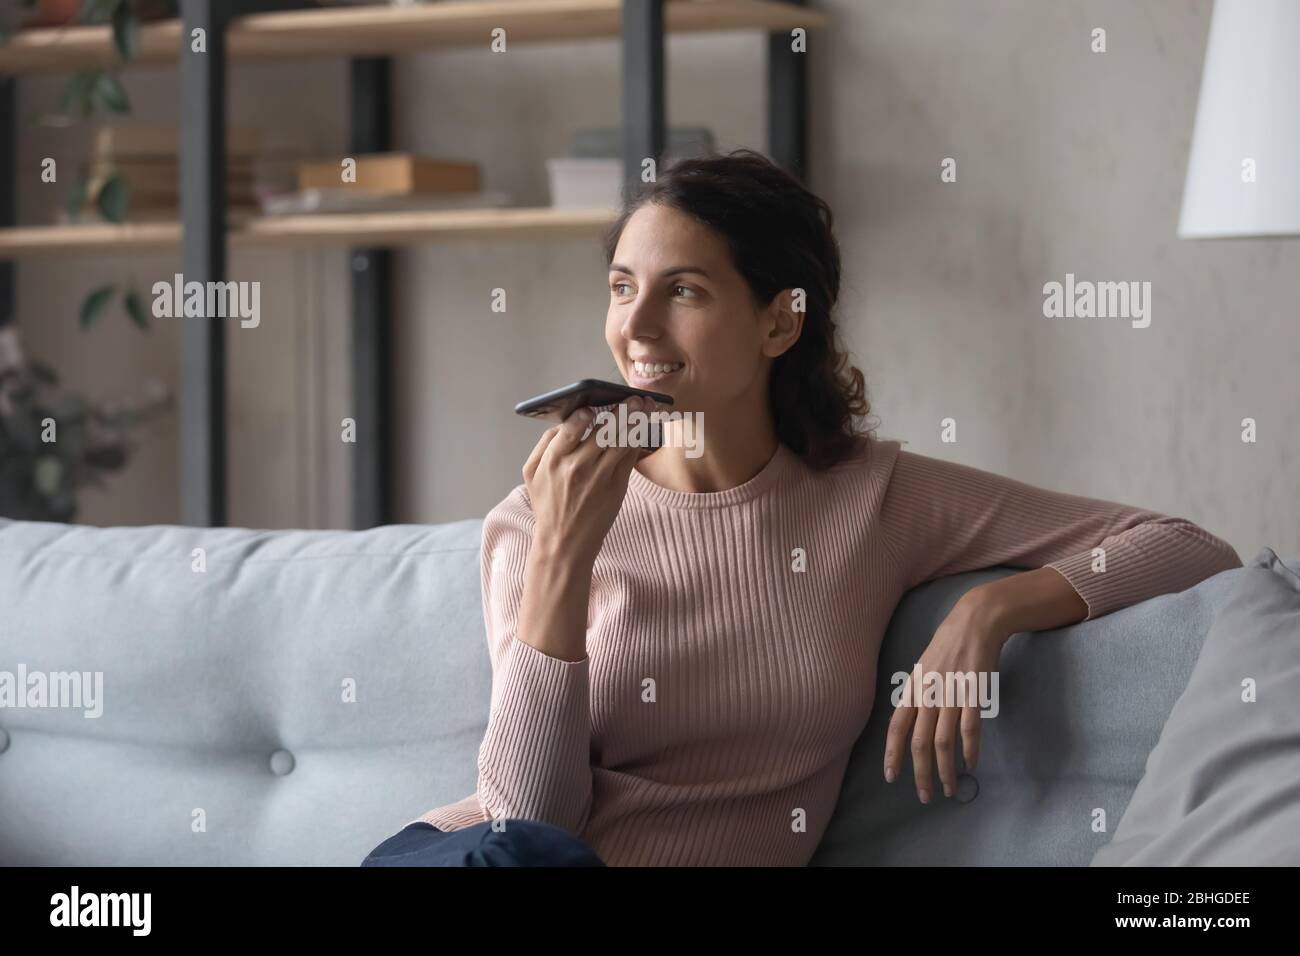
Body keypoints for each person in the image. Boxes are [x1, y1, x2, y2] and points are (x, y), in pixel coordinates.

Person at [363, 148, 1241, 867]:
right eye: (624, 286)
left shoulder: (872, 498)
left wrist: (994, 606)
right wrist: (564, 555)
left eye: (686, 291)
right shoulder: (536, 519)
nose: (636, 328)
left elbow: (1185, 545)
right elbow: (526, 826)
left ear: (780, 324)